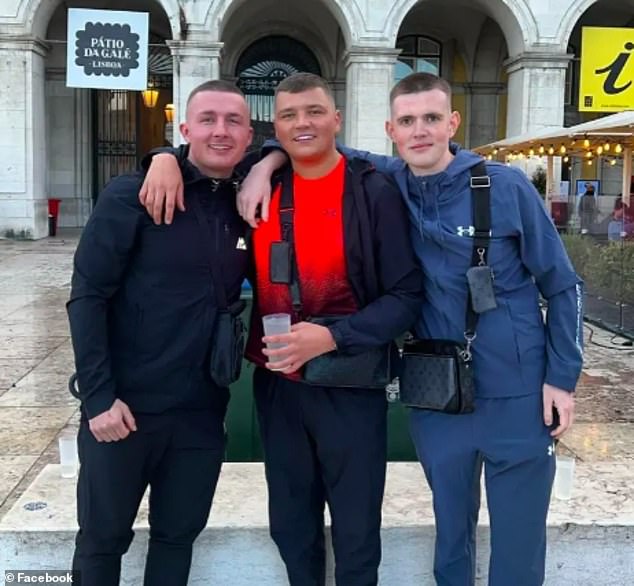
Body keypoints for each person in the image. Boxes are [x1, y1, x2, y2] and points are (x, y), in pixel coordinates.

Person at [140, 73, 583, 585]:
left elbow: (562, 284)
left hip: (513, 385)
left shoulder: (492, 185)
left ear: (452, 123)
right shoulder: (387, 176)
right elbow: (294, 138)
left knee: (518, 541)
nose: (421, 132)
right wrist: (177, 156)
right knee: (449, 534)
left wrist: (562, 377)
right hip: (435, 391)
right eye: (409, 122)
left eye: (433, 119)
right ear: (391, 130)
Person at [66, 80, 257, 586]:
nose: (221, 131)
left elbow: (319, 145)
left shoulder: (245, 202)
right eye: (209, 119)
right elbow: (87, 296)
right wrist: (98, 398)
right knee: (102, 541)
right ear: (185, 127)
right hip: (125, 411)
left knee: (177, 538)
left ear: (249, 135)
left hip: (200, 414)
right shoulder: (134, 193)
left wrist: (274, 162)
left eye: (234, 121)